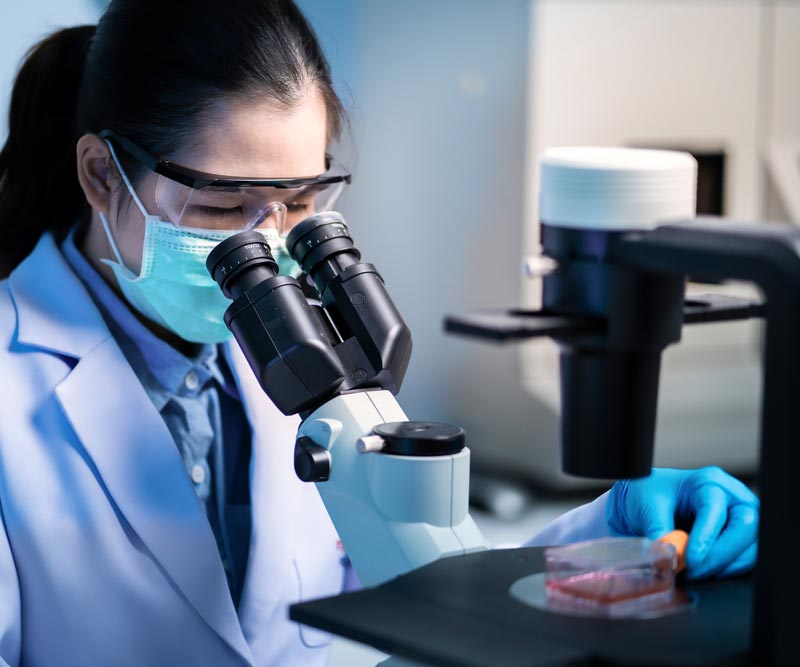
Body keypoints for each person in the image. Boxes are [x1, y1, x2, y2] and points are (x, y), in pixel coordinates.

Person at [0, 1, 759, 665]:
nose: (263, 249)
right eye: (225, 208)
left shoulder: (296, 353)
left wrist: (618, 530)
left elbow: (424, 574)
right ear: (102, 175)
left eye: (298, 201)